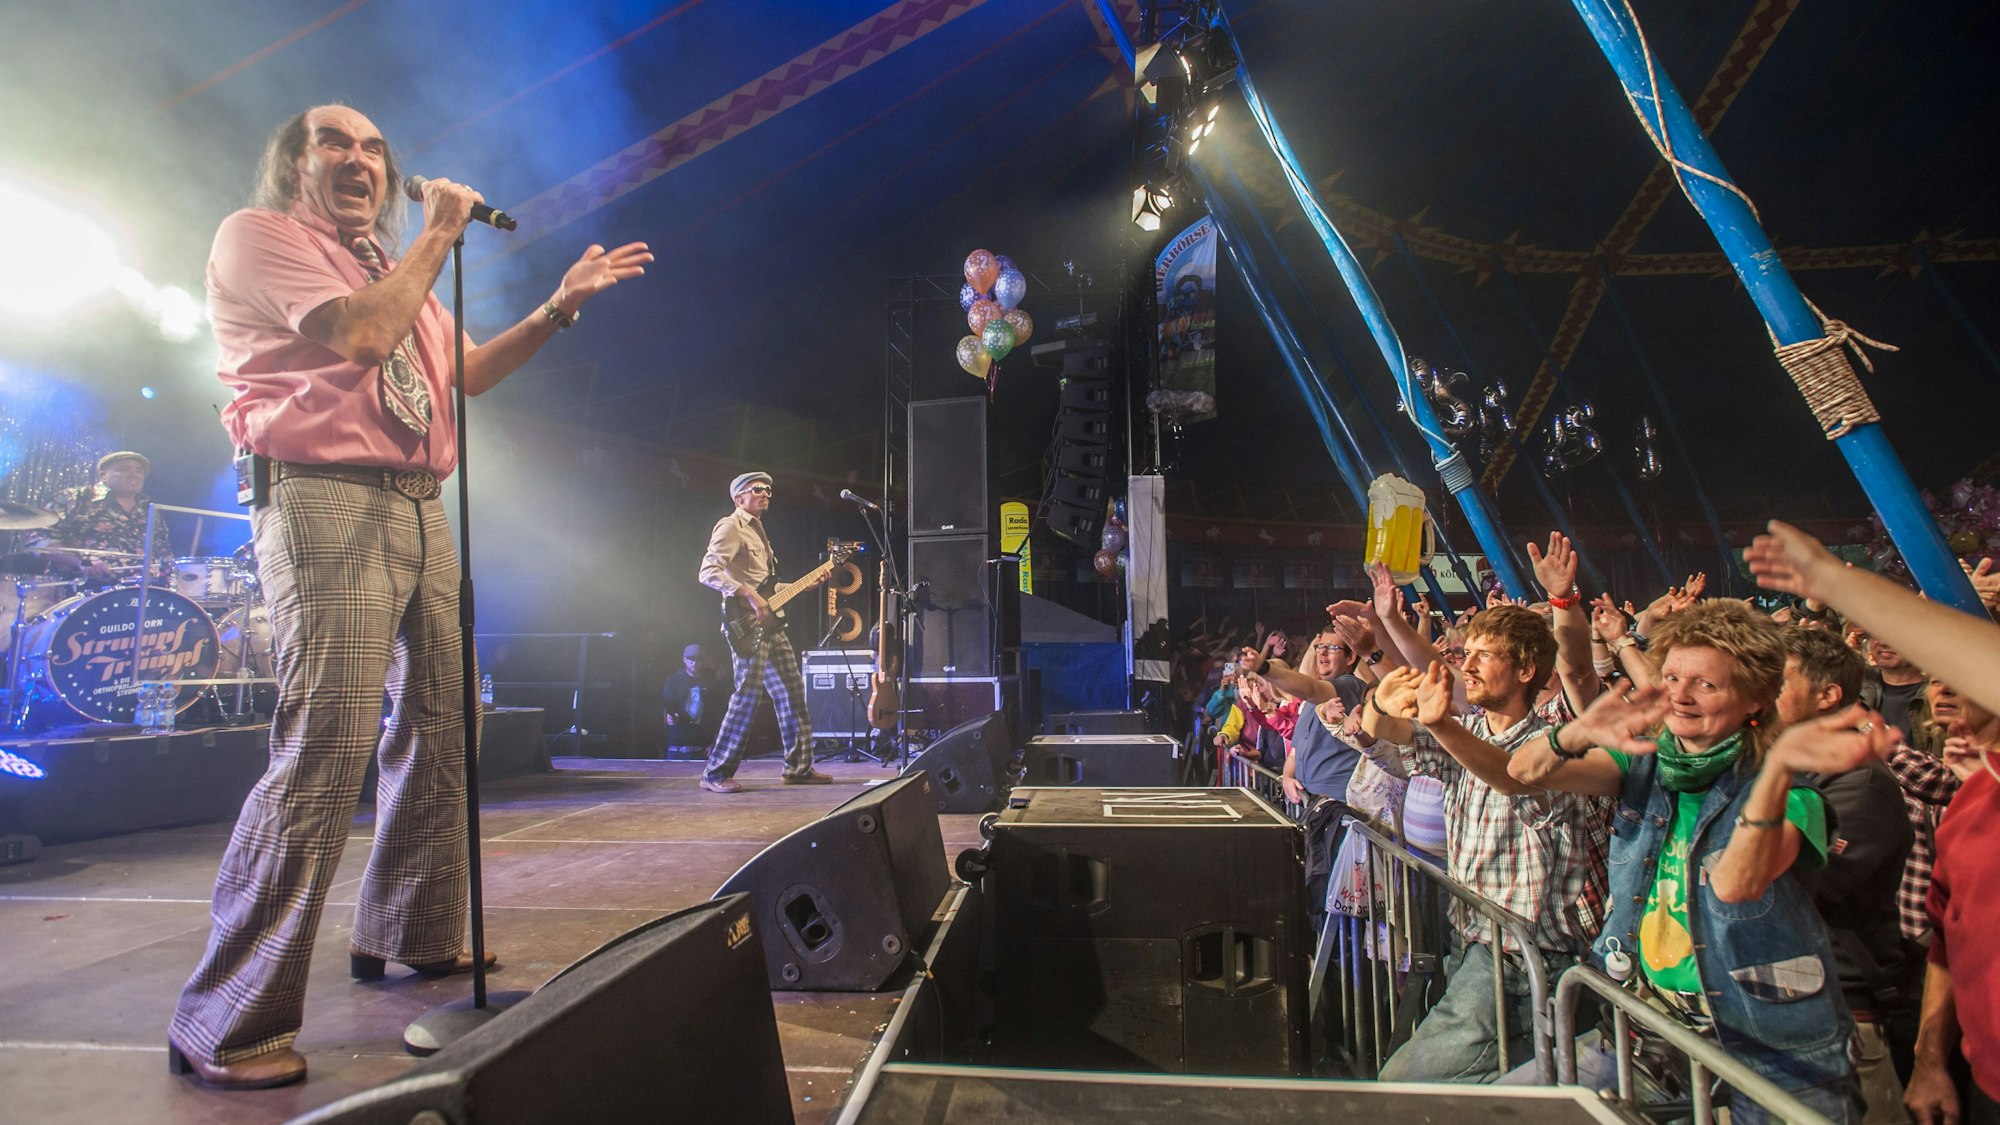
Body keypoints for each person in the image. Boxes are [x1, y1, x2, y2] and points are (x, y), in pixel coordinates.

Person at [169, 104, 651, 1090]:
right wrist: (440, 226)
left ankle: (412, 931)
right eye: (333, 143)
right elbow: (356, 339)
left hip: (417, 501)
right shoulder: (261, 237)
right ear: (293, 161)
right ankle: (224, 1019)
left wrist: (557, 307)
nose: (357, 159)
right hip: (322, 499)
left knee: (444, 719)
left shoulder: (397, 266)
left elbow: (462, 375)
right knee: (329, 741)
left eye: (373, 149)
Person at [1511, 599, 1883, 1122]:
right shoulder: (1647, 763)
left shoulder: (1792, 794)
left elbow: (1736, 883)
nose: (1679, 697)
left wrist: (1776, 768)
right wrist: (1578, 732)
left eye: (1706, 685)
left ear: (1756, 698)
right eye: (1670, 678)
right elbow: (1524, 770)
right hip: (1652, 1030)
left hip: (1768, 1049)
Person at [1358, 605, 1612, 1083]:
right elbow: (1386, 736)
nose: (1466, 666)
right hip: (1473, 940)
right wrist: (1379, 703)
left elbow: (1509, 775)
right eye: (1465, 653)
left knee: (1404, 1084)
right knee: (1512, 1084)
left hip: (1522, 959)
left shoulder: (1551, 746)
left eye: (1483, 655)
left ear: (1525, 670)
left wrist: (1439, 724)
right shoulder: (1468, 730)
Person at [1779, 627, 1918, 1121]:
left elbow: (1795, 889)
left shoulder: (1859, 783)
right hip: (1790, 997)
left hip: (1846, 1008)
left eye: (1779, 679)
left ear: (1828, 695)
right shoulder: (1792, 765)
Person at [696, 472, 831, 793]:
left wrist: (803, 585)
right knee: (748, 696)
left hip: (771, 623)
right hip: (746, 625)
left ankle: (798, 768)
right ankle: (715, 773)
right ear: (738, 497)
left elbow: (767, 587)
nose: (765, 493)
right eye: (757, 489)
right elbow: (708, 572)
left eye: (768, 489)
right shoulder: (730, 526)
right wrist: (747, 593)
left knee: (792, 693)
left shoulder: (759, 531)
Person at [24, 451, 165, 580]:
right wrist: (82, 564)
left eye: (139, 470)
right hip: (81, 589)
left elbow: (163, 550)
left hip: (143, 592)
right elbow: (39, 539)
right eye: (125, 469)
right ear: (103, 476)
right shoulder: (76, 498)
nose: (134, 474)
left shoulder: (149, 508)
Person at [661, 642, 720, 759]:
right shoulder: (672, 681)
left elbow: (718, 713)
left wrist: (716, 742)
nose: (694, 663)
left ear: (703, 661)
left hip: (703, 749)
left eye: (698, 660)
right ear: (684, 660)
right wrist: (668, 716)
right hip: (677, 748)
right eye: (691, 660)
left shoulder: (712, 683)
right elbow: (666, 705)